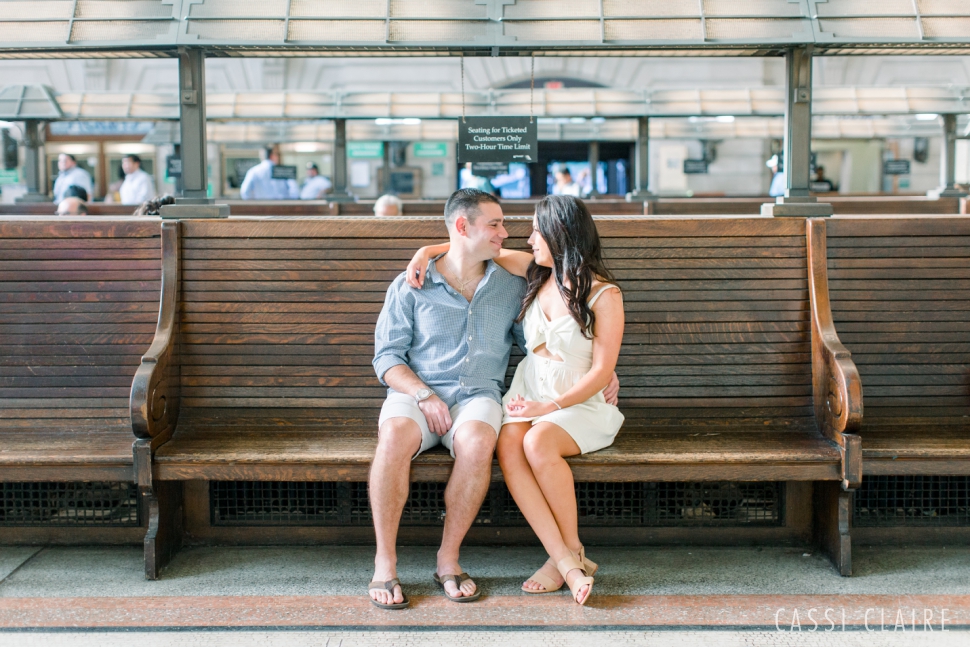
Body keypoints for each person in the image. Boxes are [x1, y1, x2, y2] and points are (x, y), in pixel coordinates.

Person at [369, 189, 618, 610]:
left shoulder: (514, 279)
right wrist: (422, 393)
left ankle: (449, 560)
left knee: (482, 441)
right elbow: (387, 357)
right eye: (497, 225)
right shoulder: (414, 281)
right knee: (393, 436)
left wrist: (605, 370)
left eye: (517, 227)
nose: (511, 234)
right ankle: (384, 563)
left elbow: (549, 340)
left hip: (480, 395)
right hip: (417, 392)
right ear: (464, 228)